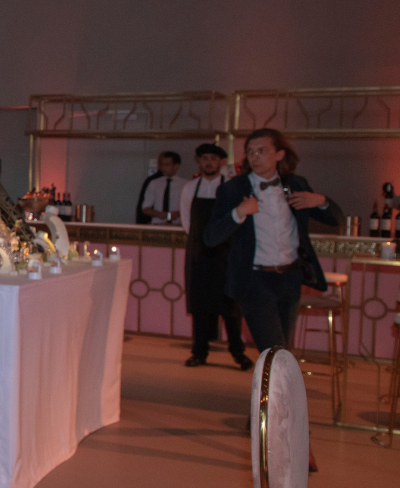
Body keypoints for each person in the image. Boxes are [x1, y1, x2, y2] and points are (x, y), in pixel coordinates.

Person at [204, 128, 337, 351]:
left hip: (290, 278)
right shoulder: (233, 189)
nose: (255, 157)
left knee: (283, 351)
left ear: (279, 154)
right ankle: (275, 375)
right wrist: (238, 213)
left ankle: (274, 376)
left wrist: (321, 201)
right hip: (255, 280)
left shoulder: (296, 184)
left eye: (262, 151)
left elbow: (335, 220)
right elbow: (210, 237)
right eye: (250, 152)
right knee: (274, 349)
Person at [179, 143, 252, 370]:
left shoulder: (231, 187)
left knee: (231, 307)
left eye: (213, 158)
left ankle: (238, 352)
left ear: (220, 162)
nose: (209, 162)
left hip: (227, 254)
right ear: (198, 161)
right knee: (200, 306)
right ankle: (199, 352)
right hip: (199, 254)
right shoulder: (190, 188)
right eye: (204, 158)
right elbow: (187, 222)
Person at [141, 151, 182, 225]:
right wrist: (166, 215)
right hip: (158, 224)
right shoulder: (154, 183)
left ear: (176, 166)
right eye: (161, 165)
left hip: (177, 225)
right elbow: (146, 208)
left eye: (167, 165)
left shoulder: (184, 185)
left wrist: (177, 214)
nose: (163, 168)